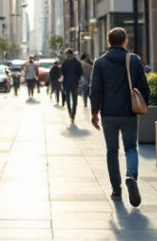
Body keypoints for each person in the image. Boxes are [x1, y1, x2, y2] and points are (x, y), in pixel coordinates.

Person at [90, 27, 151, 208]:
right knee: (131, 147)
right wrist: (143, 104)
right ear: (125, 41)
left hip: (108, 113)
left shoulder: (100, 62)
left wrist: (94, 112)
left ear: (109, 41)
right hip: (129, 113)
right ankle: (131, 175)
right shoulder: (133, 60)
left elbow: (95, 90)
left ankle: (116, 191)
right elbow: (145, 87)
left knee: (111, 151)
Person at [61, 49, 82, 123]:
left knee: (75, 102)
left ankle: (73, 115)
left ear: (70, 54)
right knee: (68, 101)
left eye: (66, 54)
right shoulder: (65, 63)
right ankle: (70, 112)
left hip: (75, 84)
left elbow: (80, 74)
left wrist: (79, 85)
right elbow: (62, 74)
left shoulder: (77, 63)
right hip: (66, 84)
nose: (66, 55)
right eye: (65, 54)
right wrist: (62, 83)